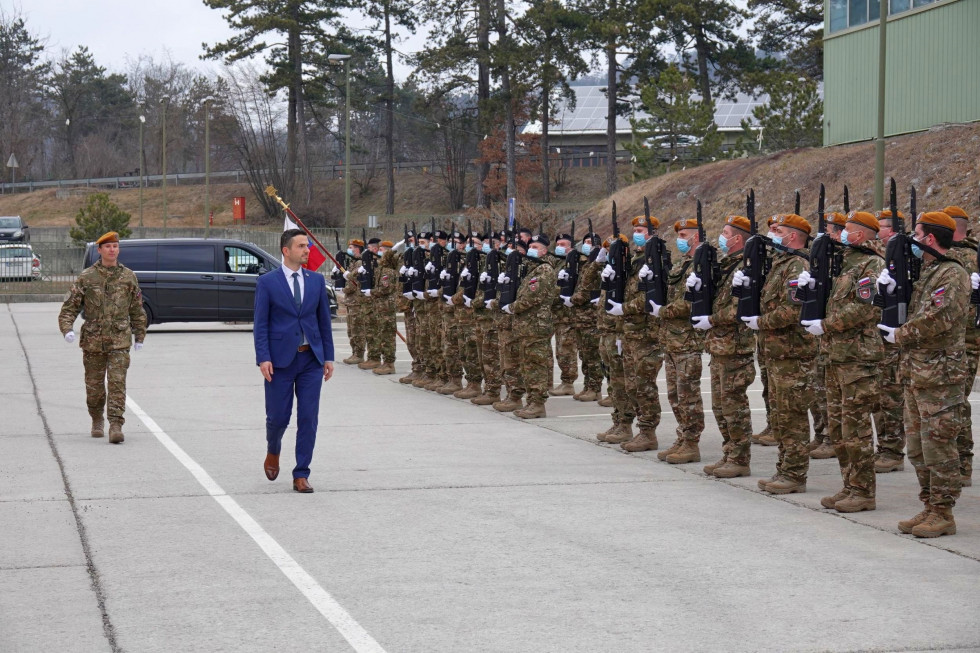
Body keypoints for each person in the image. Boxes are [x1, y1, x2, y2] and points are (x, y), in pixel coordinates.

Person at [878, 211, 969, 537]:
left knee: (939, 446)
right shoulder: (928, 272)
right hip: (917, 373)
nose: (912, 241)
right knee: (917, 448)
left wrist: (897, 335)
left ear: (930, 239)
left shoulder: (951, 274)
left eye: (917, 234)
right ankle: (929, 505)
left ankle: (943, 512)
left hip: (940, 378)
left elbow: (938, 318)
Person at [801, 211, 884, 512]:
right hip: (834, 356)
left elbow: (867, 309)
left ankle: (864, 492)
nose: (837, 235)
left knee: (856, 427)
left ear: (860, 234)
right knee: (837, 427)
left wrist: (826, 324)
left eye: (844, 230)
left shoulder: (872, 264)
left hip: (857, 359)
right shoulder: (842, 264)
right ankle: (849, 484)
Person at [254, 229, 335, 494]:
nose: (306, 250)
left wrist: (328, 356)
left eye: (307, 245)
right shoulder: (268, 282)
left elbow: (324, 321)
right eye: (301, 246)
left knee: (309, 417)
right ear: (286, 251)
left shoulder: (315, 281)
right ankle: (273, 449)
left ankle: (301, 473)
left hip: (311, 358)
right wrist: (263, 357)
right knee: (278, 417)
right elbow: (261, 324)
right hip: (280, 361)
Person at [738, 213, 814, 494]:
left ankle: (794, 474)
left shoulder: (796, 266)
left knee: (792, 415)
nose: (771, 233)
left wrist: (761, 322)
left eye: (777, 229)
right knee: (781, 415)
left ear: (792, 236)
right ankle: (784, 468)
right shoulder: (778, 264)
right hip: (777, 353)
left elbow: (792, 310)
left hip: (793, 354)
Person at [58, 231, 147, 444]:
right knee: (94, 387)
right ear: (99, 250)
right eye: (107, 247)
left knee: (117, 383)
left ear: (118, 249)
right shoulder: (87, 277)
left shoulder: (128, 277)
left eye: (115, 246)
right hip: (93, 342)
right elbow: (70, 306)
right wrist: (67, 328)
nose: (112, 250)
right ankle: (97, 419)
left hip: (119, 340)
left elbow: (137, 308)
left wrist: (140, 335)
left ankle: (116, 425)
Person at [691, 215, 756, 477]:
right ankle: (729, 452)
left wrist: (711, 319)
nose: (722, 236)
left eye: (726, 232)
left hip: (735, 347)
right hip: (719, 347)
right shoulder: (726, 265)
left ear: (738, 238)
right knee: (719, 406)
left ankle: (740, 459)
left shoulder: (746, 267)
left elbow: (739, 309)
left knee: (734, 406)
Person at [651, 218, 705, 464]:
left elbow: (690, 303)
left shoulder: (702, 265)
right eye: (679, 234)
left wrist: (661, 311)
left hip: (687, 342)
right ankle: (683, 437)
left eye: (684, 235)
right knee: (674, 394)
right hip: (671, 341)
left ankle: (692, 443)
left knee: (688, 395)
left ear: (696, 237)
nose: (680, 239)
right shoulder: (681, 265)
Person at [613, 215, 665, 452]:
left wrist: (624, 308)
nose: (637, 233)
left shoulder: (658, 260)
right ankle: (635, 428)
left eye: (642, 229)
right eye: (634, 229)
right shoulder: (635, 260)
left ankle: (648, 432)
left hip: (647, 334)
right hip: (631, 332)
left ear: (652, 233)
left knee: (644, 385)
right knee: (632, 385)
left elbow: (650, 297)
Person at [942, 205, 977, 487]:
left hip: (964, 341)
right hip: (959, 339)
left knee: (956, 404)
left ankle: (962, 463)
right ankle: (959, 463)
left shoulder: (960, 259)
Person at [871, 209, 908, 473]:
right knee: (879, 397)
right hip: (878, 336)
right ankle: (884, 447)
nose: (877, 231)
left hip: (895, 338)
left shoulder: (903, 256)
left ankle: (892, 450)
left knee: (891, 396)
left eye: (881, 227)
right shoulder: (879, 255)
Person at [508, 234, 558, 419]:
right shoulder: (533, 269)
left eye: (536, 247)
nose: (532, 250)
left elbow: (532, 298)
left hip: (536, 326)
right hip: (527, 327)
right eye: (531, 246)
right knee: (528, 366)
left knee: (536, 366)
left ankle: (538, 404)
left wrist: (511, 307)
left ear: (544, 251)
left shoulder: (544, 270)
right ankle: (531, 402)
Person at [549, 232, 579, 396]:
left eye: (564, 244)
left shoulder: (574, 263)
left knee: (566, 349)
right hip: (557, 314)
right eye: (558, 244)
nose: (560, 247)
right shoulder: (557, 263)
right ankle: (565, 381)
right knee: (560, 350)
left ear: (571, 246)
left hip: (568, 315)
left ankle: (568, 382)